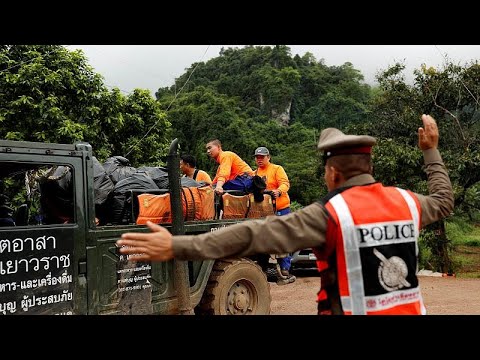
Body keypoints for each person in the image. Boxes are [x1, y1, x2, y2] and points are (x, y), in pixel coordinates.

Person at [117, 114, 454, 315]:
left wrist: (179, 246)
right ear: (370, 165)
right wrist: (431, 151)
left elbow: (252, 234)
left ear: (333, 174)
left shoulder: (329, 214)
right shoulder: (408, 203)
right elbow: (443, 200)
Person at [253, 146, 295, 285]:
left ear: (268, 157)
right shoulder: (255, 173)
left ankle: (285, 270)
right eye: (257, 157)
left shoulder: (277, 169)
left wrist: (279, 191)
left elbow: (285, 183)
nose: (259, 159)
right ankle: (263, 268)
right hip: (264, 211)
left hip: (280, 208)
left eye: (262, 157)